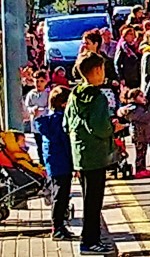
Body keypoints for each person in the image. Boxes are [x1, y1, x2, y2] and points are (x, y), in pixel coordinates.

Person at [65, 52, 118, 255]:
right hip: (96, 154)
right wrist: (114, 127)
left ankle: (89, 239)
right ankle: (90, 241)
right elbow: (101, 127)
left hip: (80, 153)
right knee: (94, 202)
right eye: (103, 69)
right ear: (96, 70)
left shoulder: (74, 94)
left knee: (89, 199)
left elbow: (66, 123)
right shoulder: (97, 98)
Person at [37, 86, 74, 240]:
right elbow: (66, 143)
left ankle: (59, 226)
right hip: (62, 162)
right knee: (61, 195)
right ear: (64, 104)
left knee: (59, 194)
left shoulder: (49, 120)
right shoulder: (61, 121)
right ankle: (57, 228)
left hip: (53, 161)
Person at [117, 88, 150, 179]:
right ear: (134, 98)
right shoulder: (133, 109)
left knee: (143, 151)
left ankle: (142, 168)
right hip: (139, 134)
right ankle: (139, 169)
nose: (144, 98)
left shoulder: (141, 107)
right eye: (141, 96)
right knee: (140, 152)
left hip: (144, 133)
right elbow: (144, 117)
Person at [25, 70, 51, 161]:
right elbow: (27, 107)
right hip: (35, 124)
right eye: (37, 81)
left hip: (46, 124)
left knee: (46, 144)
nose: (39, 83)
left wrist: (41, 110)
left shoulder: (48, 94)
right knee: (38, 144)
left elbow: (50, 108)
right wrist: (32, 110)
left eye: (41, 81)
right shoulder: (31, 94)